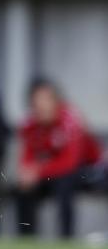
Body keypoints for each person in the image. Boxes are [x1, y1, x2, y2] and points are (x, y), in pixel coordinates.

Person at [15, 78, 98, 239]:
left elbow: (70, 162)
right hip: (51, 171)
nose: (41, 105)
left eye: (46, 100)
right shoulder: (31, 124)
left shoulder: (70, 119)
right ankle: (25, 240)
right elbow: (27, 155)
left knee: (65, 182)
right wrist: (26, 173)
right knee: (23, 189)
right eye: (36, 101)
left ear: (56, 101)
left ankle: (66, 239)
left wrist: (37, 171)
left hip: (88, 170)